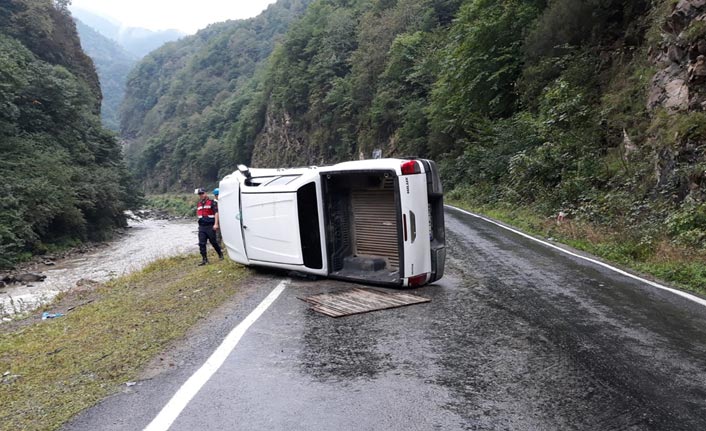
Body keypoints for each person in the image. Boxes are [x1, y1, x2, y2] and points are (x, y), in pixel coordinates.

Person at [196, 188, 223, 265]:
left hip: (210, 225)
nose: (201, 195)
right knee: (201, 243)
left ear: (205, 193)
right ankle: (204, 259)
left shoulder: (212, 202)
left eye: (202, 193)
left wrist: (216, 224)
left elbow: (216, 213)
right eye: (200, 194)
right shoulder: (199, 204)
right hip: (202, 226)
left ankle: (220, 254)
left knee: (213, 242)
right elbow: (198, 214)